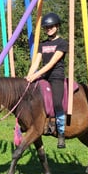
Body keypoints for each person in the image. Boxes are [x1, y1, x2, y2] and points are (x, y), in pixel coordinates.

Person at [26, 12, 68, 148]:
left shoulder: (62, 43)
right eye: (46, 27)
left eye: (51, 26)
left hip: (56, 76)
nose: (49, 29)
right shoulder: (42, 45)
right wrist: (29, 76)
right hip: (44, 76)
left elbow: (51, 64)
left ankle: (61, 133)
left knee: (57, 102)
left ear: (57, 26)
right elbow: (35, 63)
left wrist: (36, 74)